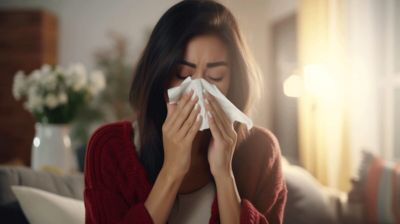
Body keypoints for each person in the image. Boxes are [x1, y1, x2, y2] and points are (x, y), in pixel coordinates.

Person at [84, 1, 287, 223]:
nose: (198, 90)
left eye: (216, 76)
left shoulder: (262, 151)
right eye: (182, 74)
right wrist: (172, 171)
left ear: (233, 81)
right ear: (158, 76)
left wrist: (224, 176)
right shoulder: (109, 148)